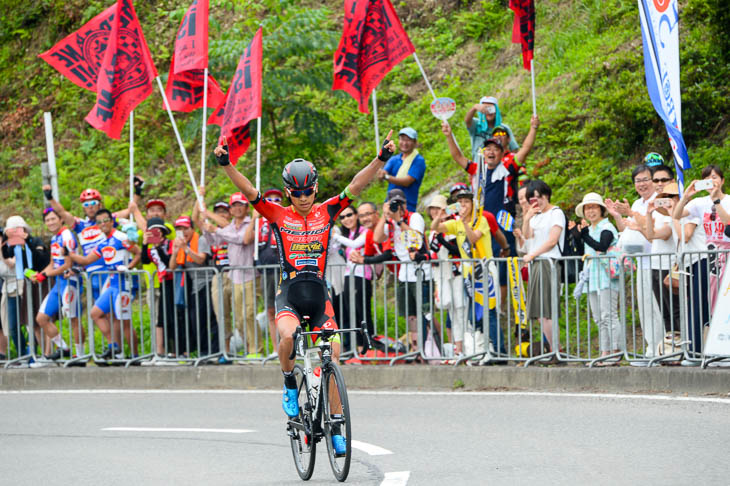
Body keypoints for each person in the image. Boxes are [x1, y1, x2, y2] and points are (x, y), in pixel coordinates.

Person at [215, 131, 397, 456]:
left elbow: (356, 185)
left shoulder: (327, 211)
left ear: (315, 187)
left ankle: (336, 425)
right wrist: (227, 163)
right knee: (288, 337)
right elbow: (250, 191)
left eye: (308, 191)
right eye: (296, 193)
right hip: (289, 295)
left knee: (333, 357)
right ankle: (288, 382)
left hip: (319, 295)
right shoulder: (278, 214)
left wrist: (381, 158)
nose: (303, 198)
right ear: (288, 192)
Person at [432, 189, 505, 357]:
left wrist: (465, 221)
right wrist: (441, 214)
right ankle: (483, 349)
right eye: (460, 202)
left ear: (473, 204)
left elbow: (473, 238)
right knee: (475, 315)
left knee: (489, 311)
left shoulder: (482, 220)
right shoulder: (456, 223)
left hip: (484, 269)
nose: (463, 206)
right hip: (469, 273)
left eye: (466, 202)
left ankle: (499, 352)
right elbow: (435, 227)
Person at [604, 162, 664, 358]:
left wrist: (630, 214)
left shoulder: (659, 201)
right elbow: (627, 231)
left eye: (645, 179)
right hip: (641, 263)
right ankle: (651, 348)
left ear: (654, 180)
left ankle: (665, 348)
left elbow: (651, 227)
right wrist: (617, 216)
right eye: (638, 181)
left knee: (659, 308)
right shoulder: (638, 203)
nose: (642, 184)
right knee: (646, 308)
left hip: (659, 262)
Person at [69, 209, 141, 360]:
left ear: (111, 221)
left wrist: (128, 267)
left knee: (124, 321)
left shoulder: (120, 237)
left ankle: (135, 356)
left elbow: (138, 252)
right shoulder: (102, 243)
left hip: (124, 283)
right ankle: (113, 346)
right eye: (99, 222)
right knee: (95, 313)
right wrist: (69, 253)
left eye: (105, 220)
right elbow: (87, 260)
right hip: (113, 284)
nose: (103, 224)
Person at [373, 189, 434, 353]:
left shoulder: (414, 217)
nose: (397, 207)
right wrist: (384, 217)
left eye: (399, 204)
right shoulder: (389, 221)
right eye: (393, 204)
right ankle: (417, 349)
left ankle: (433, 348)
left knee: (426, 314)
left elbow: (416, 238)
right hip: (403, 274)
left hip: (421, 272)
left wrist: (399, 220)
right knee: (411, 315)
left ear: (405, 204)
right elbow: (377, 238)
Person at [674, 165, 729, 335]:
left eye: (714, 177)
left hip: (727, 252)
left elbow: (728, 223)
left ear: (722, 180)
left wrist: (716, 201)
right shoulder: (699, 203)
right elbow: (676, 215)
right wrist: (686, 197)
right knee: (712, 300)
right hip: (710, 256)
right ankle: (715, 341)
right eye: (707, 178)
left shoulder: (728, 200)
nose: (711, 181)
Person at [574, 193, 623, 364]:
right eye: (587, 208)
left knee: (609, 315)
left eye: (594, 207)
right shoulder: (592, 229)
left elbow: (601, 246)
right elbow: (584, 251)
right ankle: (604, 352)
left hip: (607, 277)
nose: (591, 211)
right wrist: (578, 236)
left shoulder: (607, 227)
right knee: (598, 317)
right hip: (592, 277)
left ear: (601, 209)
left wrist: (585, 235)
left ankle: (616, 352)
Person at [659, 182, 708, 355]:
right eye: (666, 198)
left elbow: (685, 236)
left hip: (701, 261)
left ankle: (698, 350)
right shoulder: (676, 217)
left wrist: (674, 216)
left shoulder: (691, 212)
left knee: (699, 307)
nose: (669, 201)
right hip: (687, 264)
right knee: (691, 307)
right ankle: (693, 350)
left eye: (673, 197)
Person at [32, 209, 83, 365]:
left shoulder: (67, 235)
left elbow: (69, 264)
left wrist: (47, 275)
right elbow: (54, 263)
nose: (50, 222)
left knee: (73, 319)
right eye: (47, 220)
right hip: (59, 282)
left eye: (53, 219)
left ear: (61, 219)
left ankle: (80, 355)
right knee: (41, 318)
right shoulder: (55, 238)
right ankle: (64, 348)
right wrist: (40, 274)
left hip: (71, 281)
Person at [521, 180, 565, 354]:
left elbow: (552, 240)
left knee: (546, 310)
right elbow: (527, 236)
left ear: (546, 195)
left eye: (539, 197)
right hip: (536, 264)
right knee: (539, 312)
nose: (536, 201)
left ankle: (556, 349)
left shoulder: (556, 213)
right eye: (532, 198)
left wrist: (533, 254)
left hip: (548, 262)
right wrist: (526, 218)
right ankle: (554, 348)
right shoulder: (536, 216)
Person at [169, 215, 220, 357]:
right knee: (196, 321)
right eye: (179, 229)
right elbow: (172, 267)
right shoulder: (178, 243)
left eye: (185, 228)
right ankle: (204, 351)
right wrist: (175, 252)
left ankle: (215, 351)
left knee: (212, 319)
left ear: (192, 228)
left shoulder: (201, 240)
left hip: (208, 283)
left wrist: (186, 248)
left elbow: (200, 259)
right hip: (194, 287)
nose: (183, 231)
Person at [1, 215, 51, 359]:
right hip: (25, 284)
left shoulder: (35, 241)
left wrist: (27, 241)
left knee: (42, 320)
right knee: (31, 322)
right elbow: (7, 257)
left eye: (16, 231)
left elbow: (42, 259)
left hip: (40, 283)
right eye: (11, 232)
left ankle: (47, 353)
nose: (14, 235)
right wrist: (5, 239)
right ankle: (38, 354)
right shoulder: (13, 246)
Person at [643, 165, 681, 337]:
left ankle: (681, 347)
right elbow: (650, 236)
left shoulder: (679, 207)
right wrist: (649, 214)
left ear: (672, 181)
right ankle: (670, 347)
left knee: (675, 309)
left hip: (671, 265)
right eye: (656, 180)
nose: (659, 183)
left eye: (663, 179)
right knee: (664, 312)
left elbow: (664, 234)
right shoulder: (657, 208)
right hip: (656, 264)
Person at [140, 217, 185, 358]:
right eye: (152, 232)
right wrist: (144, 244)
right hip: (163, 282)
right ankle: (160, 351)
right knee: (161, 318)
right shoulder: (151, 248)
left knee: (176, 316)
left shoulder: (170, 244)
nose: (156, 235)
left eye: (158, 232)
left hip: (175, 282)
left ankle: (180, 351)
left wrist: (158, 248)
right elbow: (144, 260)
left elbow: (169, 262)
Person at [426, 195, 465, 357]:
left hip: (456, 270)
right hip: (441, 273)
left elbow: (457, 250)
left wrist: (442, 239)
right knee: (448, 306)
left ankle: (461, 348)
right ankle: (457, 347)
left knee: (459, 308)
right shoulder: (432, 231)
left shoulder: (454, 223)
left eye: (439, 208)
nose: (436, 211)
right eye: (433, 209)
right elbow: (433, 253)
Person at [333, 204, 373, 350]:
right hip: (348, 275)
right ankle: (356, 348)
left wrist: (335, 236)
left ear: (356, 216)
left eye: (349, 215)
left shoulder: (365, 231)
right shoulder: (346, 235)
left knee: (362, 312)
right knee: (351, 314)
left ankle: (368, 346)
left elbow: (356, 244)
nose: (346, 219)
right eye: (342, 217)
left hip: (362, 275)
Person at [195, 200, 232, 356]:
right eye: (218, 211)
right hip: (217, 275)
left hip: (235, 274)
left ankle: (252, 350)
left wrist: (209, 214)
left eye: (224, 211)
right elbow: (196, 220)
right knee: (221, 315)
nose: (221, 214)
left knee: (242, 314)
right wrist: (199, 199)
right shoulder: (211, 232)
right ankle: (226, 351)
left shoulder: (232, 228)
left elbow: (225, 224)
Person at [256, 188, 285, 355]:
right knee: (270, 310)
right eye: (270, 199)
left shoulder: (286, 219)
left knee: (286, 309)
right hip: (266, 272)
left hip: (283, 270)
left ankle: (289, 345)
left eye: (277, 199)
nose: (274, 202)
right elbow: (247, 239)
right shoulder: (259, 223)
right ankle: (276, 348)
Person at [489, 118, 539, 216]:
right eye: (496, 135)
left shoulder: (512, 159)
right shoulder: (486, 161)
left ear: (509, 139)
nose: (498, 137)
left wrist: (533, 128)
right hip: (491, 205)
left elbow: (526, 149)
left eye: (502, 134)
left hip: (509, 204)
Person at [377, 127, 426, 212]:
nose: (404, 143)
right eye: (402, 139)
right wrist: (380, 172)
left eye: (408, 140)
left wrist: (386, 177)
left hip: (407, 206)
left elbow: (407, 182)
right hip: (389, 203)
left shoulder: (418, 161)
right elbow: (382, 175)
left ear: (415, 142)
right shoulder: (394, 159)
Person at [464, 96, 519, 162]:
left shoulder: (504, 129)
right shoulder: (476, 125)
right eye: (486, 108)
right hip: (479, 168)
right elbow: (467, 120)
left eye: (491, 108)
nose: (489, 112)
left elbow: (514, 149)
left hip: (499, 169)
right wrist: (475, 108)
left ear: (496, 111)